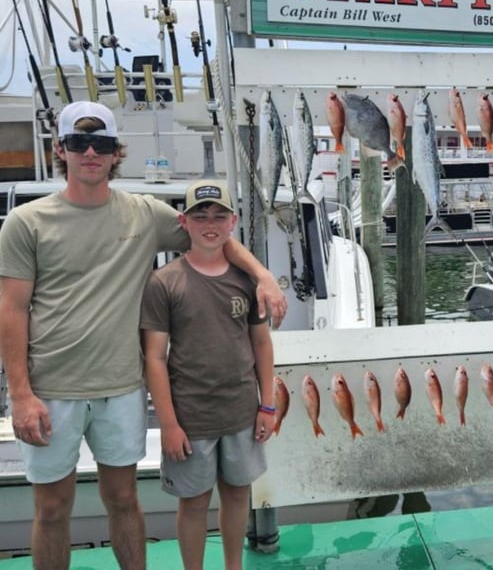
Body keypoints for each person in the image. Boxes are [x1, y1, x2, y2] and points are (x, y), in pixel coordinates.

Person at [0, 101, 287, 570]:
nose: (90, 152)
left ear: (116, 153)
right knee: (51, 509)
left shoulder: (144, 213)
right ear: (61, 150)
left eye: (102, 144)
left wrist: (263, 276)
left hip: (122, 387)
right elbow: (11, 310)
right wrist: (20, 394)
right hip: (52, 391)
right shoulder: (26, 222)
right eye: (79, 142)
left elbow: (210, 235)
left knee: (124, 498)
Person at [140, 180, 275, 570]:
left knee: (237, 494)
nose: (210, 224)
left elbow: (262, 345)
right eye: (200, 216)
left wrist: (267, 404)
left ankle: (235, 566)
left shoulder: (247, 281)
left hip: (240, 412)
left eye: (219, 215)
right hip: (191, 417)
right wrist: (168, 424)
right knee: (194, 501)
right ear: (184, 222)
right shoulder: (164, 282)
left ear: (233, 221)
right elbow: (155, 358)